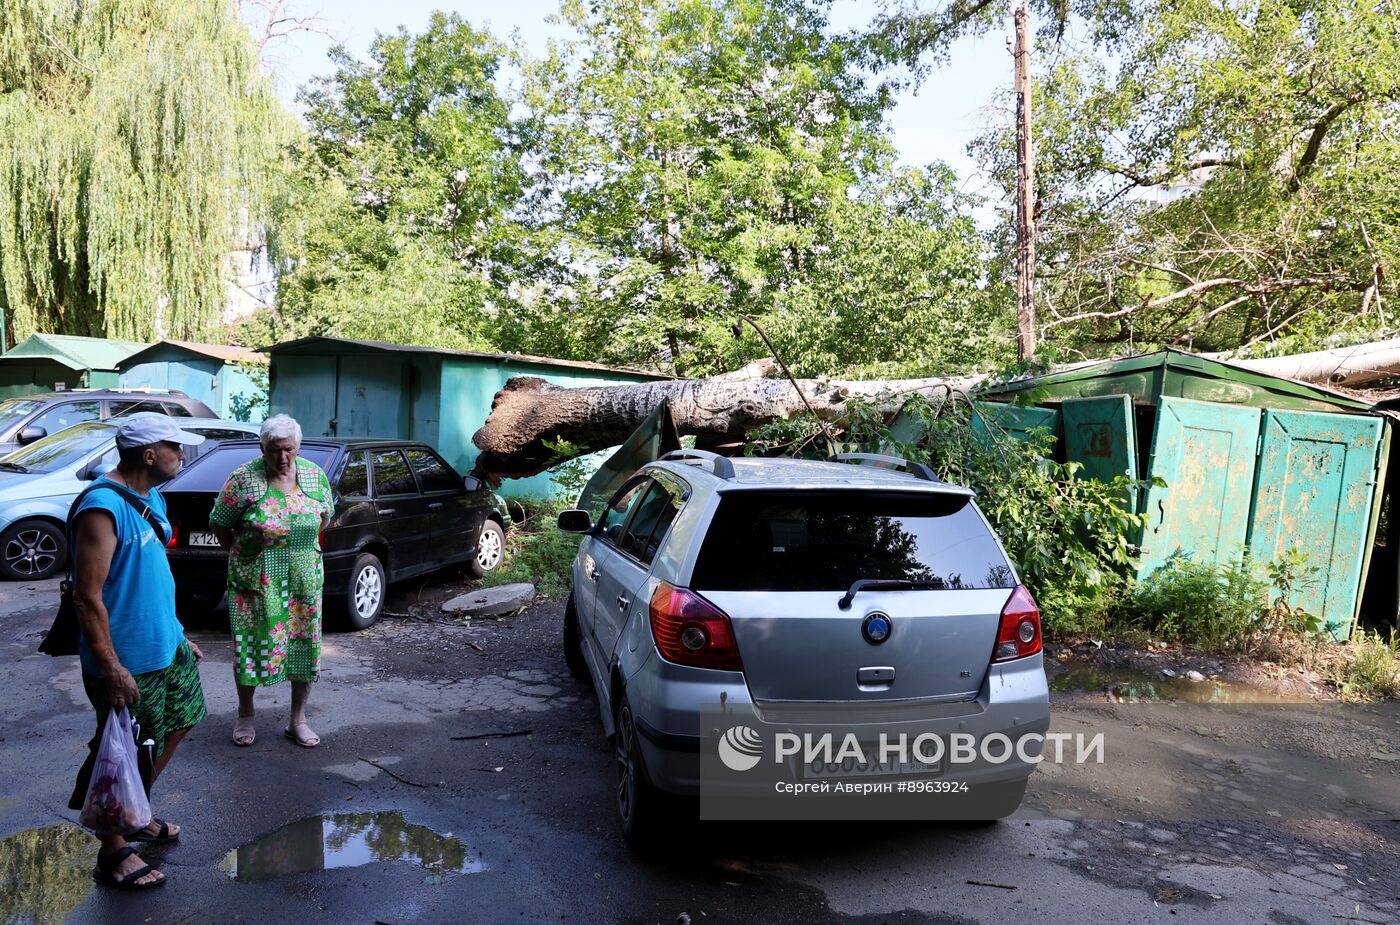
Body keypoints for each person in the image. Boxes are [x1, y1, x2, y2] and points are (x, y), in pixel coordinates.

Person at [72, 412, 208, 890]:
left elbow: (149, 578)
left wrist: (176, 633)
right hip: (128, 660)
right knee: (121, 753)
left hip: (166, 647)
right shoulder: (101, 508)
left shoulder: (149, 497)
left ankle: (136, 809)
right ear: (149, 455)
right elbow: (87, 595)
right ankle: (112, 853)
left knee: (182, 719)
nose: (183, 455)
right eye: (176, 447)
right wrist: (111, 667)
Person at [210, 414, 333, 749]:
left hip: (303, 584)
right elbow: (220, 523)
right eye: (275, 450)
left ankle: (298, 720)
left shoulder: (313, 476)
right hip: (256, 584)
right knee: (249, 649)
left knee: (303, 649)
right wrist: (244, 554)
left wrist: (299, 549)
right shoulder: (243, 479)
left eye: (289, 450)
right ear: (262, 448)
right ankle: (246, 714)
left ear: (298, 447)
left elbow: (323, 519)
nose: (282, 458)